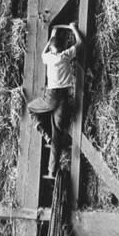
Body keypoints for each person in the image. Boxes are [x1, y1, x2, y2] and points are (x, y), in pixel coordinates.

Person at [27, 22, 84, 178]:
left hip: (51, 97)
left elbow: (43, 52)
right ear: (62, 47)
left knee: (31, 108)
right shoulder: (65, 56)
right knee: (57, 135)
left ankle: (42, 131)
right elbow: (80, 43)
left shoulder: (48, 57)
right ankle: (52, 171)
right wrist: (73, 28)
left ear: (52, 48)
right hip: (64, 98)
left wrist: (52, 35)